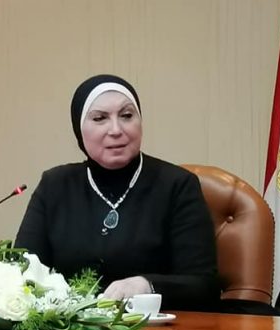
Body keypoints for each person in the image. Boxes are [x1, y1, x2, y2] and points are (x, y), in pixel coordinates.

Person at [15, 74, 219, 312]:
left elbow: (204, 286)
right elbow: (22, 272)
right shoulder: (55, 185)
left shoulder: (177, 185)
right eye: (100, 118)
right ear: (79, 129)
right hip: (69, 328)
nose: (116, 129)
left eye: (127, 116)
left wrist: (147, 285)